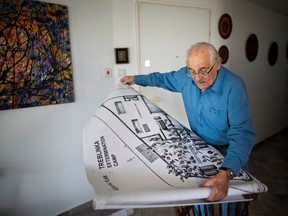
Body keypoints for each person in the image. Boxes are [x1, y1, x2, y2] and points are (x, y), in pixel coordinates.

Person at [120, 42, 256, 215]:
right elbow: (161, 79)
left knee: (229, 203)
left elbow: (243, 134)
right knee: (199, 196)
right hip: (200, 150)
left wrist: (226, 173)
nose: (197, 78)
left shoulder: (234, 86)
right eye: (192, 70)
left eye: (203, 70)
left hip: (230, 153)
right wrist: (135, 79)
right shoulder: (186, 77)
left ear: (218, 63)